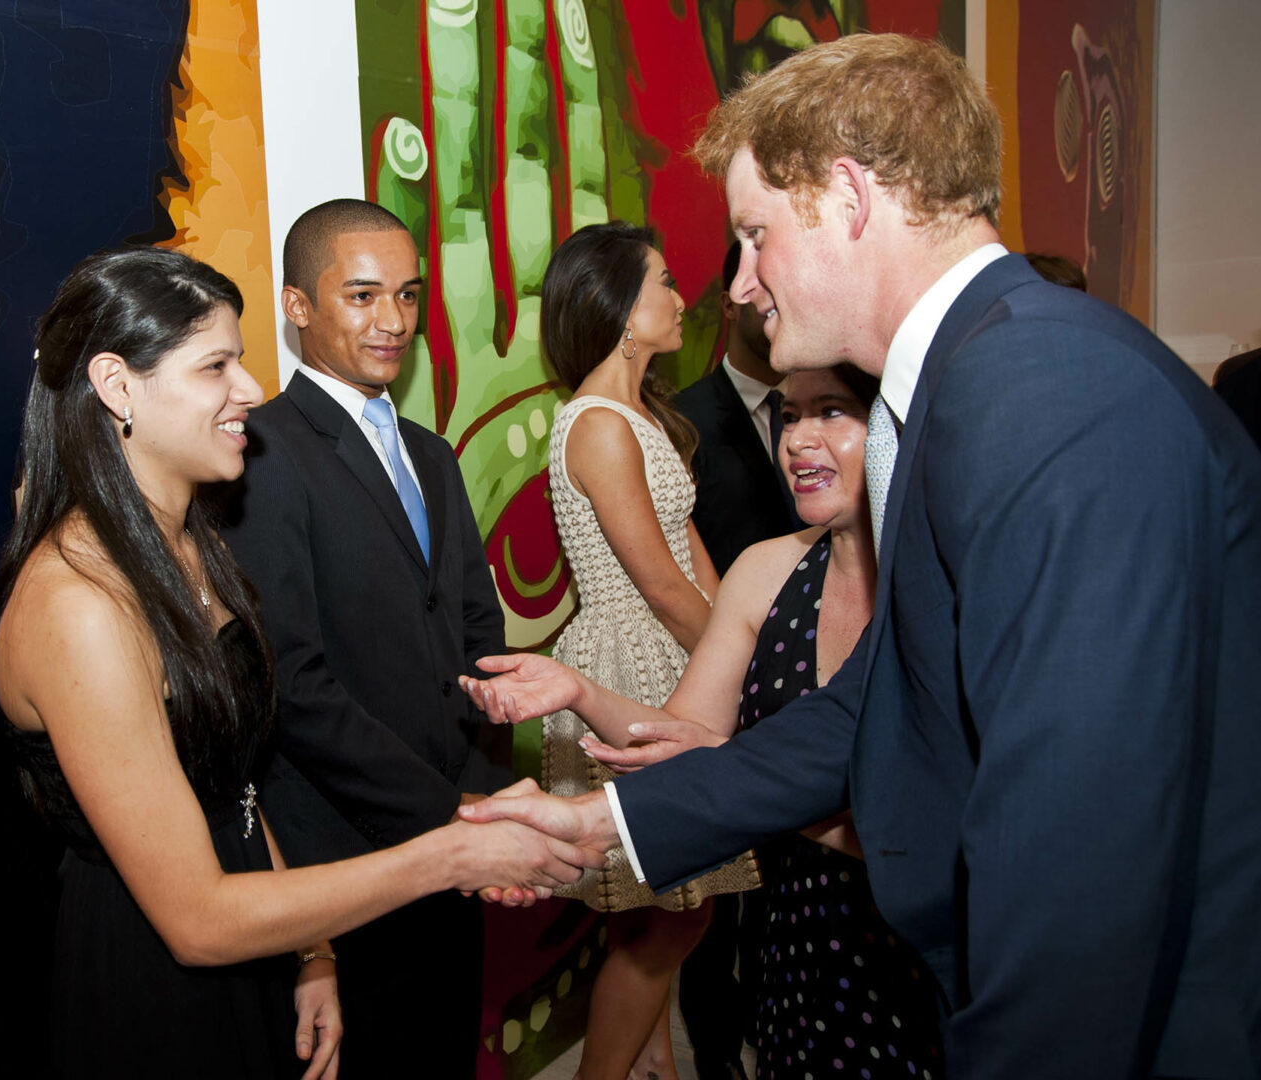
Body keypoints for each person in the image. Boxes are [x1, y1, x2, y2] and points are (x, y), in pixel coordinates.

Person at [461, 33, 1261, 1077]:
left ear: (848, 197)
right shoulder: (981, 376)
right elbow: (878, 703)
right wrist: (597, 823)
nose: (740, 286)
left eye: (754, 236)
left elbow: (1078, 870)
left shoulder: (1042, 395)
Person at [0, 246, 599, 1080]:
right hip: (157, 982)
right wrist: (452, 852)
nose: (248, 390)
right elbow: (196, 918)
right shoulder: (80, 606)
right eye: (216, 366)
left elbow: (237, 785)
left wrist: (312, 953)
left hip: (262, 929)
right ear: (117, 385)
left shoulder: (194, 547)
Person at [465, 364, 943, 1078]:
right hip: (795, 948)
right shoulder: (763, 571)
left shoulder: (944, 583)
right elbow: (680, 737)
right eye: (788, 415)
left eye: (833, 413)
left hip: (920, 945)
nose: (799, 441)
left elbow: (946, 820)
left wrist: (746, 780)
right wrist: (579, 691)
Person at [217, 199, 514, 1077]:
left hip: (454, 831)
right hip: (341, 846)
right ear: (297, 306)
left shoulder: (431, 452)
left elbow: (473, 625)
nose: (393, 321)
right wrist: (444, 813)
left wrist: (479, 791)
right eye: (361, 295)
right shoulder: (259, 453)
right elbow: (293, 682)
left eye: (409, 295)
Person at [537, 221, 757, 1080]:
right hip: (634, 662)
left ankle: (654, 1066)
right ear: (623, 311)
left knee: (664, 909)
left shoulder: (639, 413)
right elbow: (658, 584)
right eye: (663, 281)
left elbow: (695, 559)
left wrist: (733, 636)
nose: (679, 297)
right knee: (669, 915)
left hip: (675, 652)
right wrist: (730, 665)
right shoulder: (596, 422)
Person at [671, 242, 803, 1080]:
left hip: (815, 703)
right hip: (720, 694)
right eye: (758, 289)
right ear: (731, 297)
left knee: (789, 922)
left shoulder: (841, 405)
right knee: (710, 924)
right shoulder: (683, 420)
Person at [674, 241, 804, 576]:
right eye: (763, 287)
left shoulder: (830, 404)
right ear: (729, 305)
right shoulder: (684, 421)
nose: (776, 303)